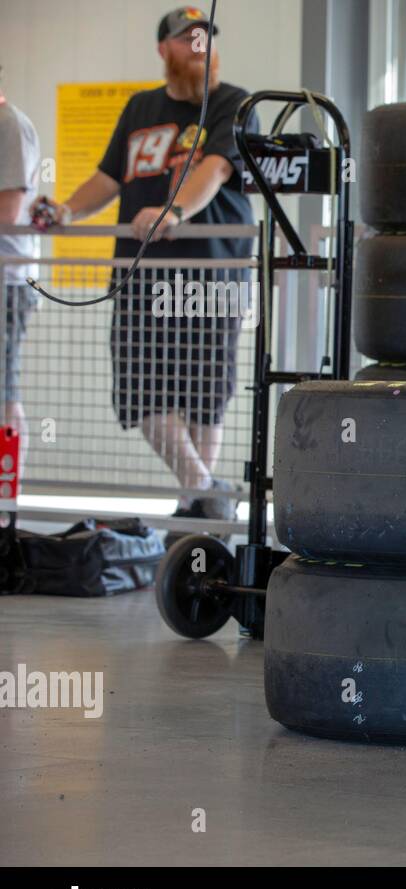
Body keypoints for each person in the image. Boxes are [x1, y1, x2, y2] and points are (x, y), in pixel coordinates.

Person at [36, 7, 257, 542]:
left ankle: (194, 508)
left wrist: (171, 213)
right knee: (142, 389)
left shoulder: (232, 102)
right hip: (139, 275)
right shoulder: (140, 108)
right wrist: (65, 211)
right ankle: (207, 495)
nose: (198, 46)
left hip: (212, 274)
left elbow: (215, 170)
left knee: (205, 393)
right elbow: (108, 177)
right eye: (187, 39)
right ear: (164, 49)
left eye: (205, 37)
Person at [0, 70, 40, 481]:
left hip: (7, 283)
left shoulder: (8, 125)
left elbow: (8, 211)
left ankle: (5, 500)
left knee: (3, 393)